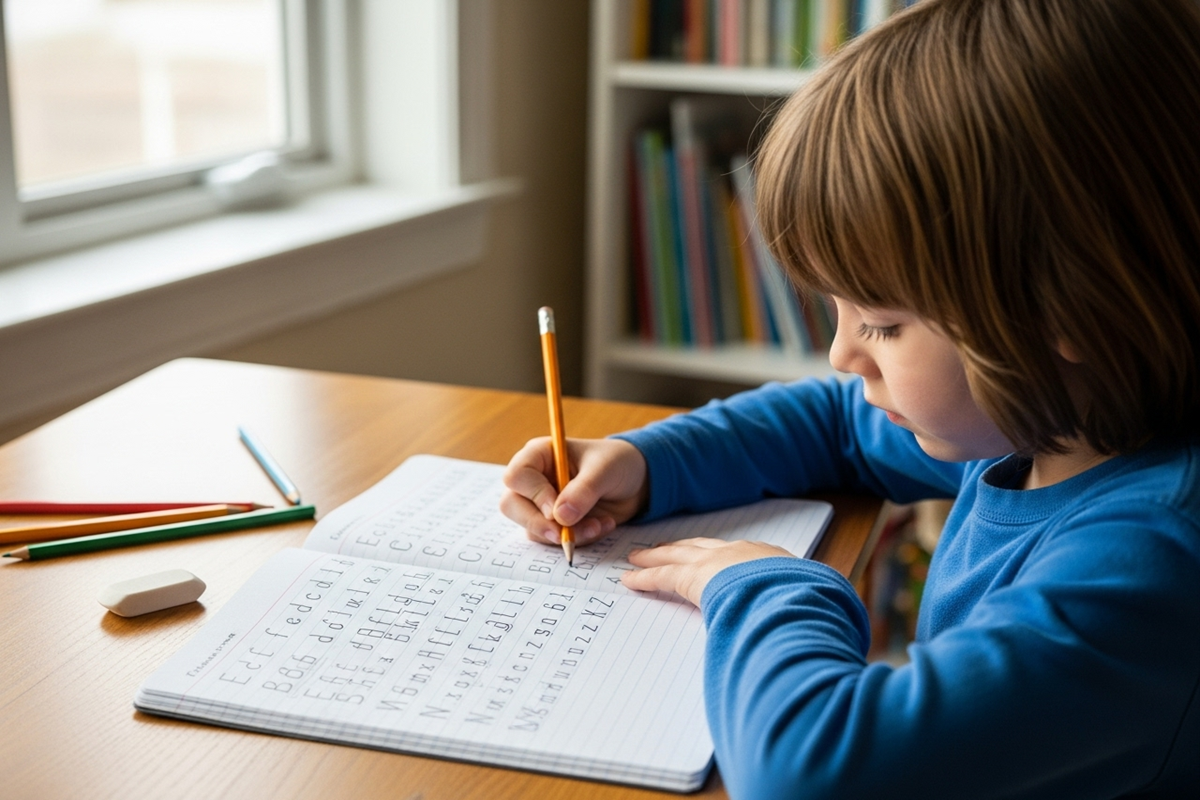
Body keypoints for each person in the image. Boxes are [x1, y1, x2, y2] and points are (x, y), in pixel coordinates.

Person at [502, 0, 1200, 796]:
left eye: (882, 323)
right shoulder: (1055, 419)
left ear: (1068, 311)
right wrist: (647, 460)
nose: (842, 355)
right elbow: (837, 425)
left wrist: (774, 585)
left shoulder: (1150, 562)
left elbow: (811, 774)